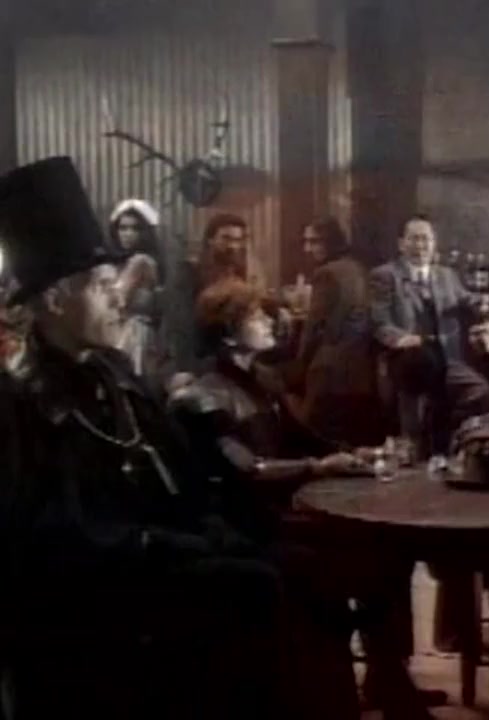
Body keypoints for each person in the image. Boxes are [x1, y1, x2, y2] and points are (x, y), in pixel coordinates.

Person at [0, 156, 356, 719]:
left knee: (311, 568)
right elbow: (50, 539)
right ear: (55, 300)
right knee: (255, 587)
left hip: (162, 551)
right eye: (101, 286)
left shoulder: (114, 372)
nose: (118, 297)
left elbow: (177, 470)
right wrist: (169, 544)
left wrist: (208, 517)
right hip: (104, 593)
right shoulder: (22, 401)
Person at [170, 277, 441, 718]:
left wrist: (354, 454)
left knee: (391, 550)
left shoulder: (264, 379)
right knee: (351, 561)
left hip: (288, 512)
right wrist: (319, 467)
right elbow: (248, 471)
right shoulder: (203, 397)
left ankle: (387, 677)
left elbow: (303, 438)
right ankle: (342, 693)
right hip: (251, 526)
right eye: (255, 315)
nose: (268, 320)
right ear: (228, 333)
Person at [370, 213, 489, 459]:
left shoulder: (446, 276)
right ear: (401, 244)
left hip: (445, 360)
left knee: (481, 392)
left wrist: (488, 316)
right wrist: (401, 339)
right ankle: (418, 446)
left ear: (434, 243)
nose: (420, 246)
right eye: (414, 239)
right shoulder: (386, 276)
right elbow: (379, 322)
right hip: (407, 361)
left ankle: (442, 433)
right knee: (416, 371)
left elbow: (471, 301)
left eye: (425, 239)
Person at [296, 218, 381, 447]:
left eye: (314, 242)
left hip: (330, 371)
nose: (307, 248)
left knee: (309, 437)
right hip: (362, 369)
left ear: (331, 242)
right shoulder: (357, 267)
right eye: (306, 242)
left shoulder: (326, 273)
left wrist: (299, 366)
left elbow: (314, 328)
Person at [109, 198, 167, 383]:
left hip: (133, 336)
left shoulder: (140, 261)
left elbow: (117, 298)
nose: (128, 234)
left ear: (145, 233)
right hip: (125, 331)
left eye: (135, 228)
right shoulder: (126, 262)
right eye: (123, 228)